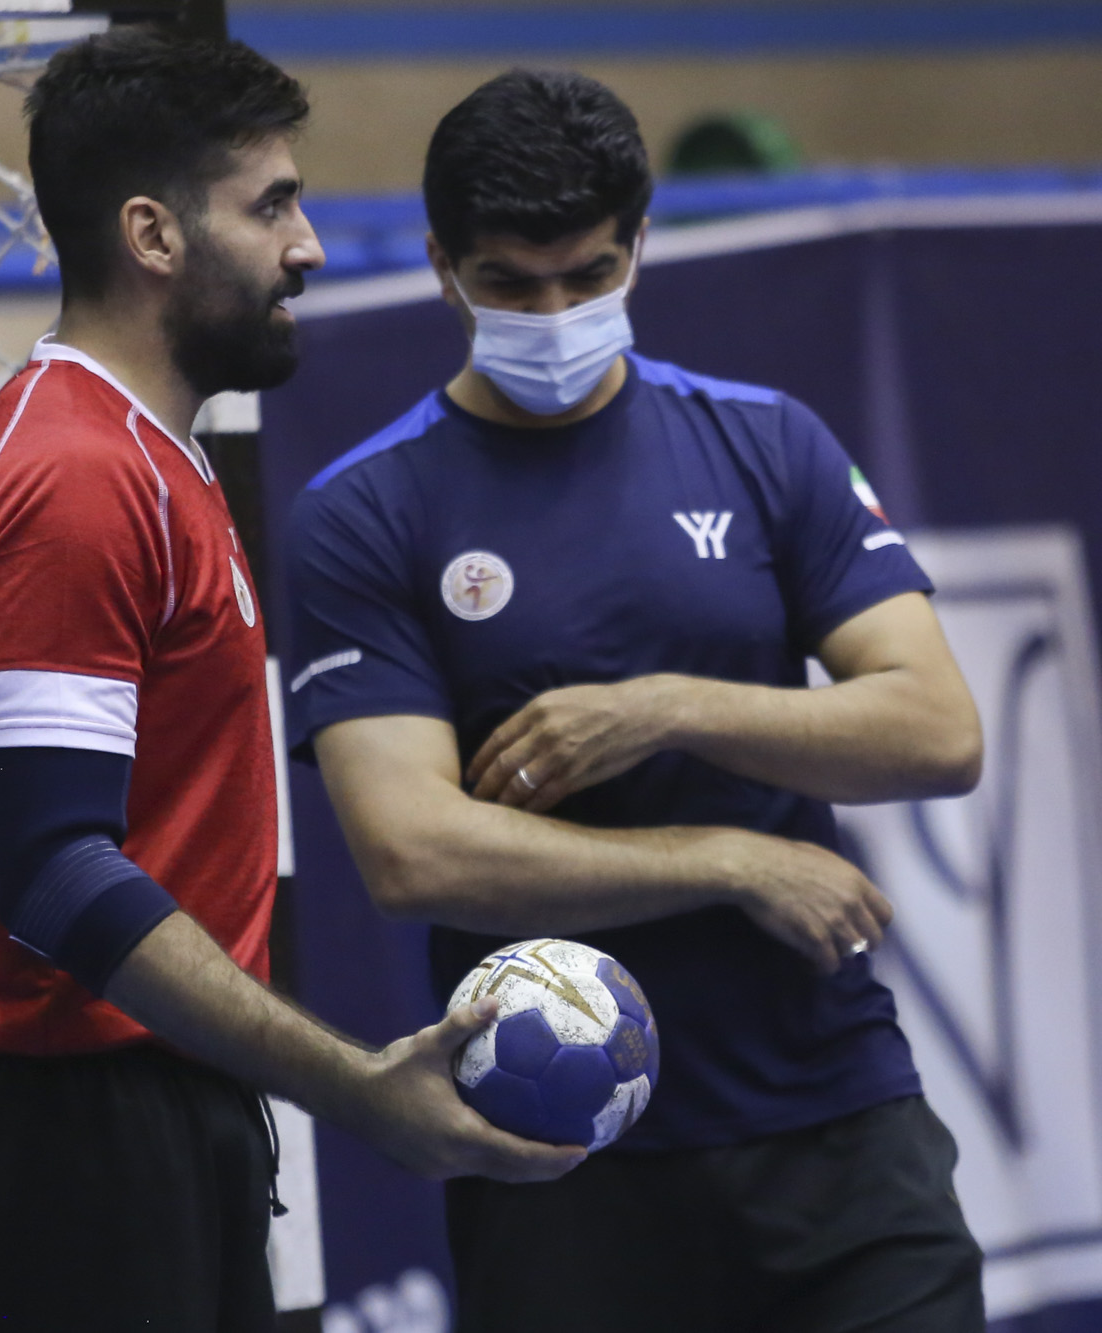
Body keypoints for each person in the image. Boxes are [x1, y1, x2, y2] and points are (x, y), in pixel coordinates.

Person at [0, 33, 581, 1333]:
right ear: (152, 234)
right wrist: (355, 1086)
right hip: (66, 1135)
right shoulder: (77, 477)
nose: (305, 247)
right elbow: (57, 877)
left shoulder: (145, 456)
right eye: (271, 206)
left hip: (126, 1107)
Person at [284, 69, 988, 1332]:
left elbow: (936, 731)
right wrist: (728, 859)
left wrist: (665, 706)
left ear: (639, 246)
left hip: (833, 1117)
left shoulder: (765, 443)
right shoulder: (365, 511)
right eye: (510, 285)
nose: (554, 315)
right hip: (554, 1149)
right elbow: (411, 852)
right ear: (442, 267)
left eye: (588, 276)